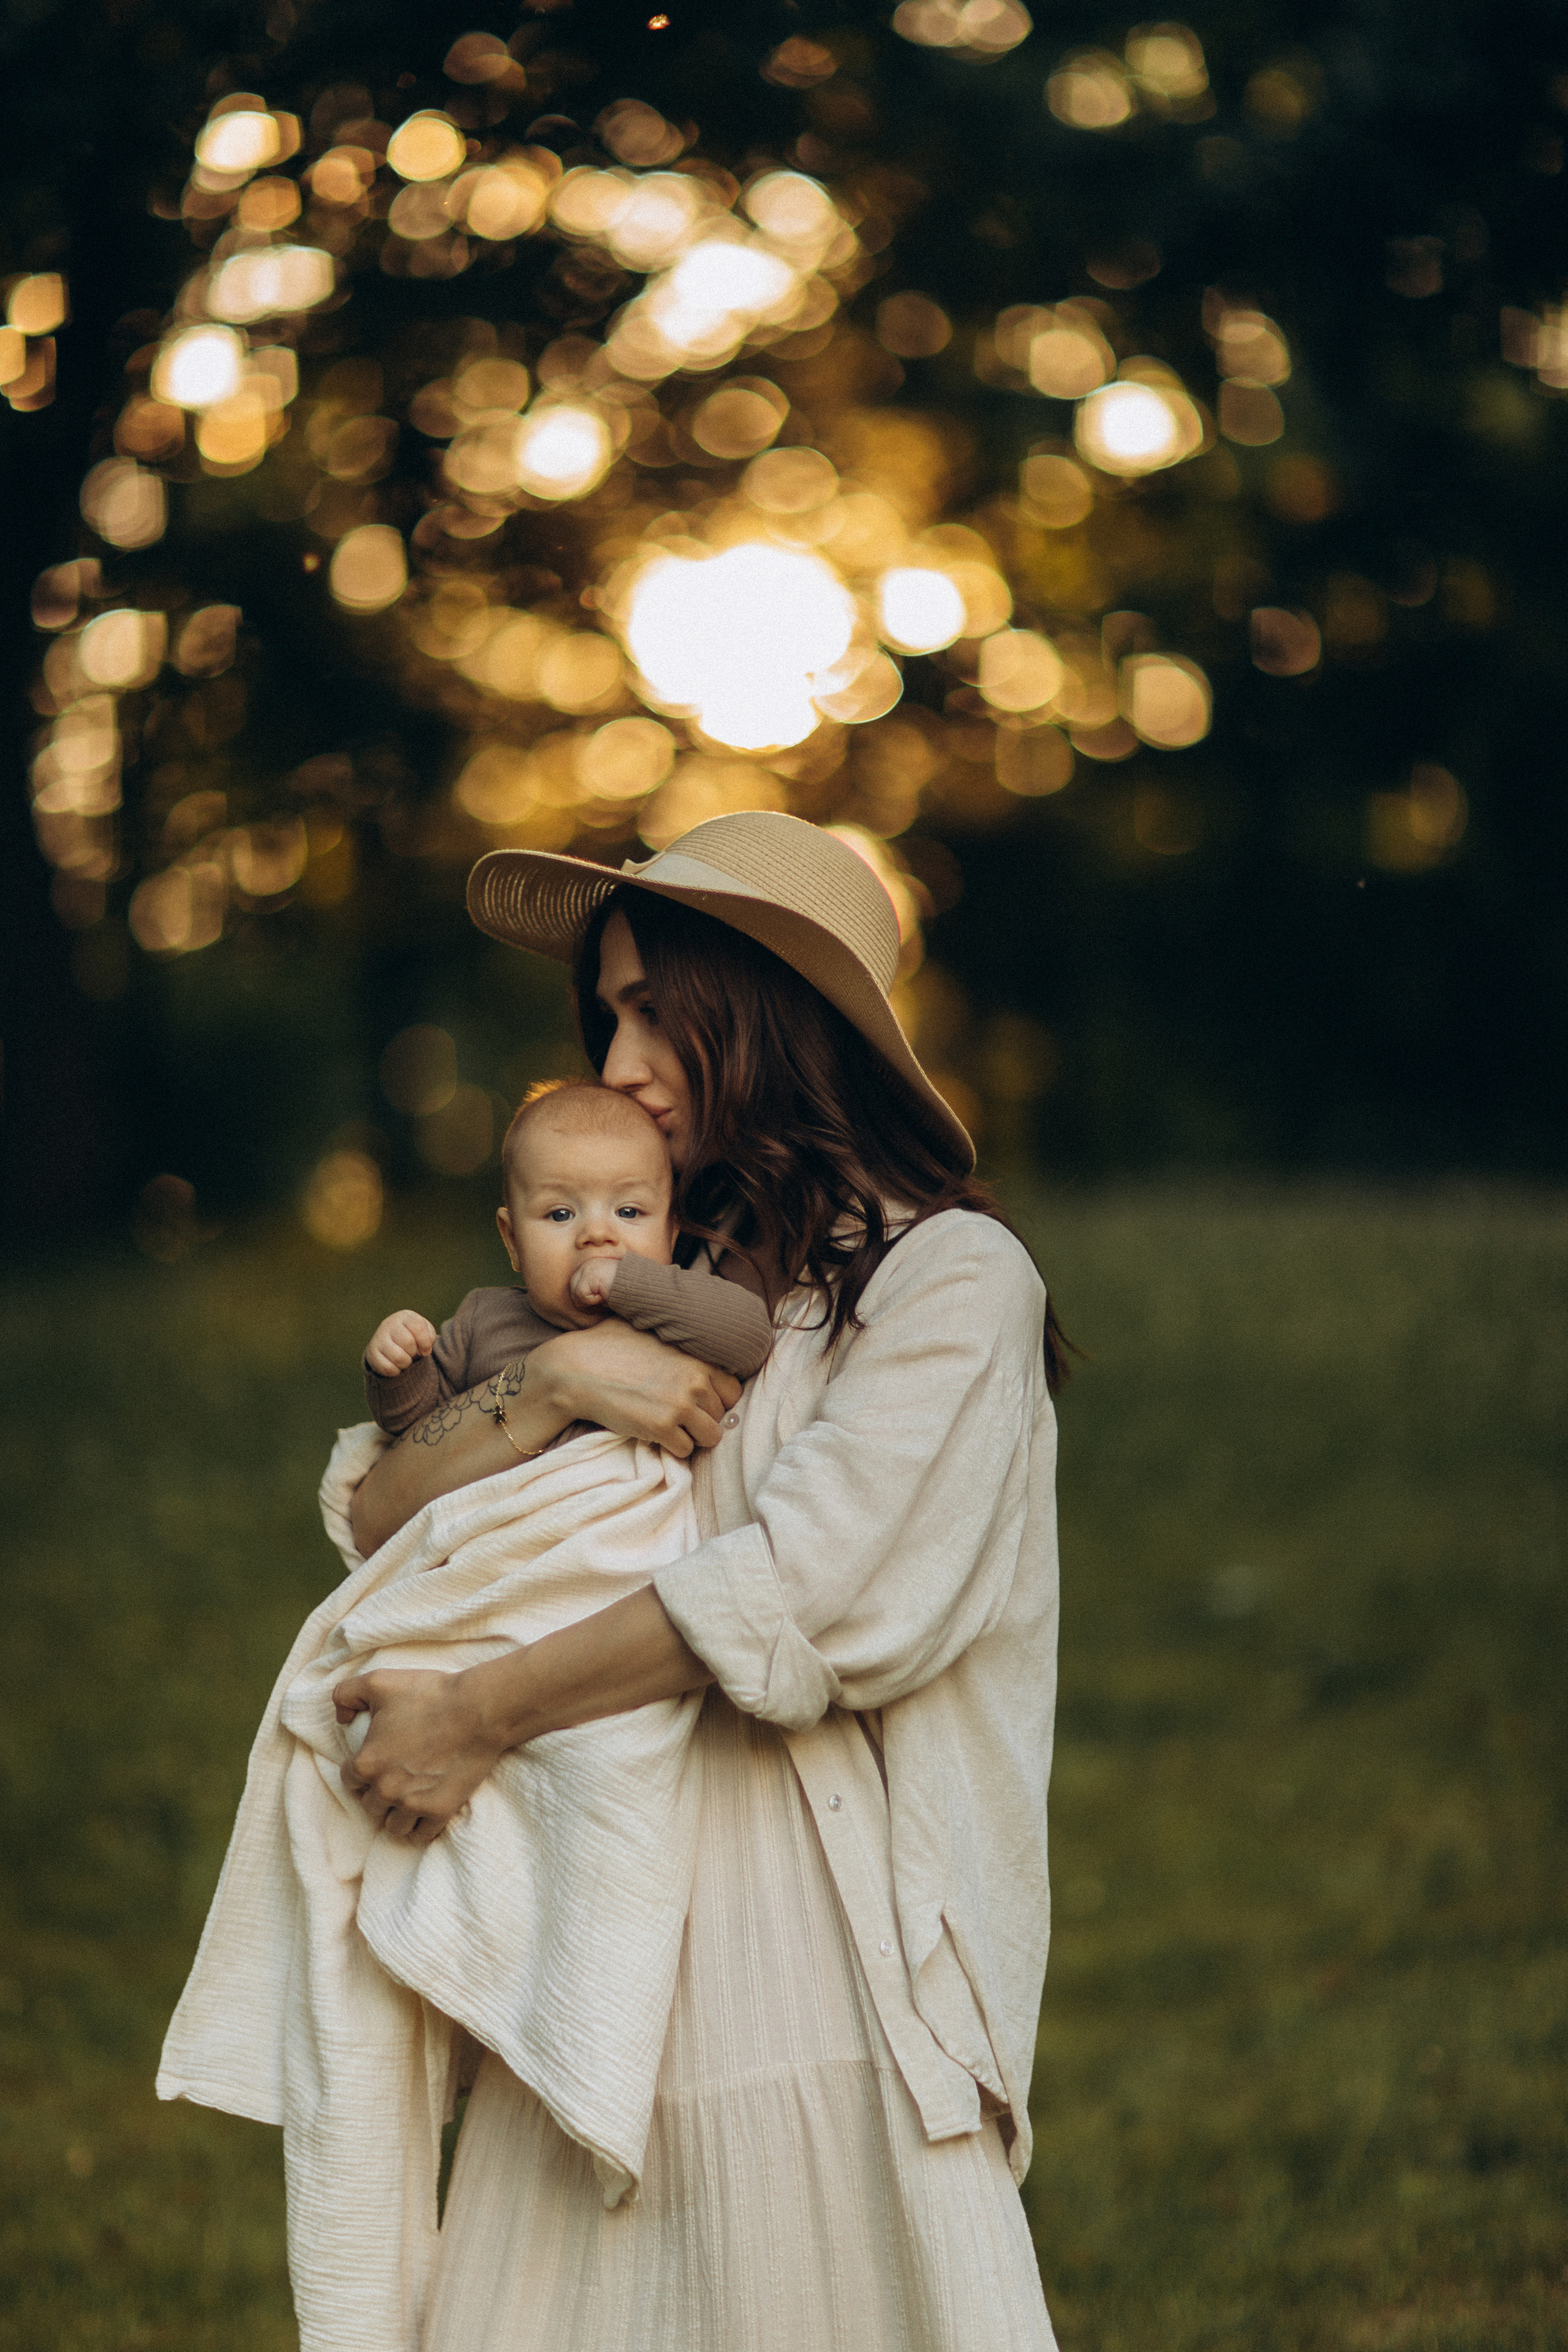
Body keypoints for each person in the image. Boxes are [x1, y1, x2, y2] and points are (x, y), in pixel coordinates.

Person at [335, 812, 1067, 2351]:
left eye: (657, 1008)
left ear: (777, 1019)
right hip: (599, 1933)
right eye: (604, 1010)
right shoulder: (642, 1275)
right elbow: (370, 1507)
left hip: (819, 1957)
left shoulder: (947, 1282)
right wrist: (555, 1386)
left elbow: (801, 1591)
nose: (618, 1056)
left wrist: (478, 1711)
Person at [361, 1077, 774, 1441]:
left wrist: (628, 1284)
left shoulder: (680, 1312)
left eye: (628, 1212)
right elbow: (420, 1432)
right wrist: (400, 1370)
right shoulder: (483, 1321)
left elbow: (752, 1339)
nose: (596, 1234)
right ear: (513, 1241)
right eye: (561, 1214)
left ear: (671, 1232)